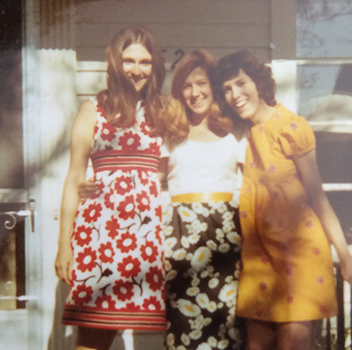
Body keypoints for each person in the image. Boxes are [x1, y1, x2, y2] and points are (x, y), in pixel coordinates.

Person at [78, 49, 247, 350]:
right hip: (179, 241)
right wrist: (93, 186)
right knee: (184, 327)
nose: (195, 93)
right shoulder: (171, 134)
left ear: (214, 86)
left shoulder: (236, 134)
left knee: (227, 327)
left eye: (202, 84)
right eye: (186, 86)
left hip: (227, 240)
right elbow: (142, 177)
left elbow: (255, 186)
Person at [209, 50, 352, 350]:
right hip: (260, 256)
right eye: (227, 89)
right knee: (256, 344)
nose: (235, 94)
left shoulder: (291, 127)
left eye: (241, 83)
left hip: (300, 252)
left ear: (258, 82)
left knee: (292, 344)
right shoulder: (244, 132)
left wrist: (347, 261)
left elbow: (318, 197)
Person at [54, 25, 181, 350]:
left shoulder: (162, 113)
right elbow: (74, 178)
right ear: (115, 63)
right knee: (93, 339)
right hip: (101, 237)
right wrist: (64, 245)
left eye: (145, 62)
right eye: (129, 60)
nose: (136, 70)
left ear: (154, 68)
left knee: (143, 333)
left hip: (145, 240)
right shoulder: (93, 111)